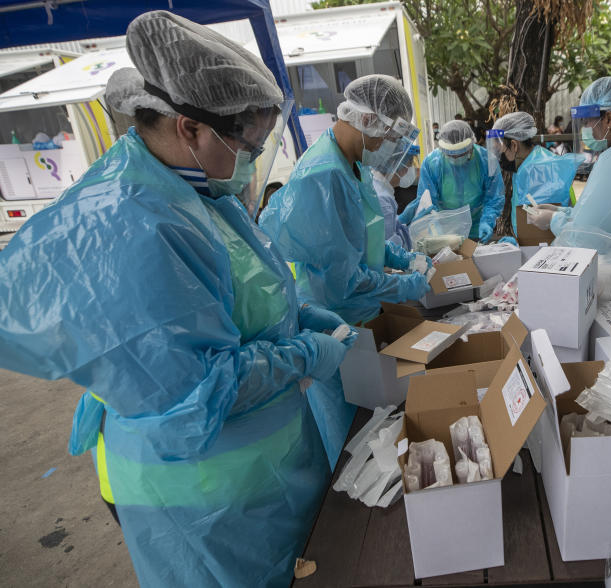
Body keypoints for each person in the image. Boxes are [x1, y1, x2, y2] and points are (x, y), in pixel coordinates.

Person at [0, 11, 352, 587]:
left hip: (263, 470)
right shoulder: (132, 223)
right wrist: (306, 355)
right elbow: (196, 396)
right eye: (247, 143)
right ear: (190, 128)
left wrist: (295, 317)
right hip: (204, 496)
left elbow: (243, 298)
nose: (252, 160)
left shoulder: (202, 192)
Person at [259, 74, 432, 326]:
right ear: (367, 119)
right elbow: (342, 278)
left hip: (361, 309)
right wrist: (403, 285)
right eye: (387, 136)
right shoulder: (325, 175)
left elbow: (357, 240)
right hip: (336, 317)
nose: (387, 146)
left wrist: (397, 256)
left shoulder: (353, 164)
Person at [526, 76, 611, 301]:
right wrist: (561, 212)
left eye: (588, 121)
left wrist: (552, 221)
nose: (586, 129)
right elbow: (597, 211)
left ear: (609, 119)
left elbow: (589, 235)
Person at [399, 119, 505, 242]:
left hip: (477, 226)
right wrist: (435, 228)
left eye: (461, 155)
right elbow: (427, 202)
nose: (455, 159)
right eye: (450, 155)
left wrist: (487, 221)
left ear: (471, 146)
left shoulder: (486, 160)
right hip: (444, 230)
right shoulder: (432, 164)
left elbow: (494, 197)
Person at [486, 111, 582, 234]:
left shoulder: (537, 170)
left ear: (514, 145)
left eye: (500, 152)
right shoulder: (527, 164)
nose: (499, 159)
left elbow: (537, 230)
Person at [373, 143, 420, 250]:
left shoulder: (379, 187)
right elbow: (392, 249)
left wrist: (401, 220)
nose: (409, 171)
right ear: (395, 166)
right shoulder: (382, 198)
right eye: (408, 166)